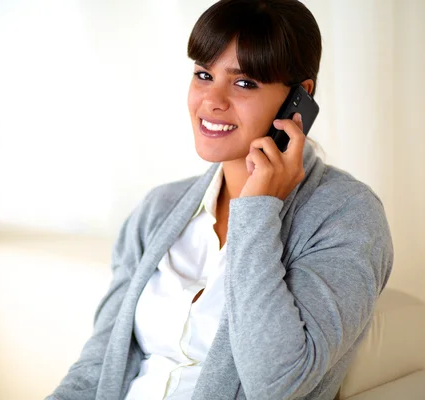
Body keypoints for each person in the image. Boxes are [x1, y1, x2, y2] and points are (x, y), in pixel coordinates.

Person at [46, 0, 393, 399]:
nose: (212, 99)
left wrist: (258, 210)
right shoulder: (157, 210)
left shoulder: (347, 216)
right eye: (203, 74)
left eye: (244, 82)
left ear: (299, 98)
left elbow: (278, 384)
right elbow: (98, 364)